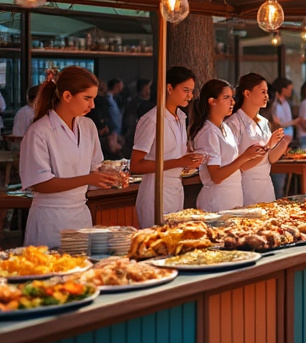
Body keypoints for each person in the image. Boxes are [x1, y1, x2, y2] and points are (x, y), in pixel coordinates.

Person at [19, 67, 124, 247]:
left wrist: (110, 175)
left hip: (81, 216)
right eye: (87, 98)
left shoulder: (88, 126)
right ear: (67, 96)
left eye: (93, 98)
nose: (92, 105)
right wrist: (90, 178)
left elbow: (95, 168)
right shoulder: (39, 131)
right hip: (50, 219)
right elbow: (41, 183)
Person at [129, 67, 206, 226]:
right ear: (169, 88)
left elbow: (175, 154)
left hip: (176, 188)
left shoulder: (181, 118)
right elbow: (136, 165)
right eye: (185, 90)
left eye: (191, 91)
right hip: (156, 190)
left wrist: (189, 161)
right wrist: (179, 162)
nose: (190, 96)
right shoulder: (152, 120)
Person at [190, 79, 268, 213]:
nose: (232, 102)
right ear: (212, 101)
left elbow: (233, 163)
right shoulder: (208, 132)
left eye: (232, 97)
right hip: (217, 202)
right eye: (226, 98)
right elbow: (216, 176)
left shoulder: (225, 127)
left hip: (233, 199)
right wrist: (244, 157)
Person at [226, 74, 291, 204]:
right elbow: (241, 166)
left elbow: (270, 159)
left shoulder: (264, 122)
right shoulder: (233, 123)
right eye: (262, 92)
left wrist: (283, 143)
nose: (267, 96)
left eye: (267, 92)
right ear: (247, 93)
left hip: (266, 185)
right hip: (246, 186)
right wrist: (268, 145)